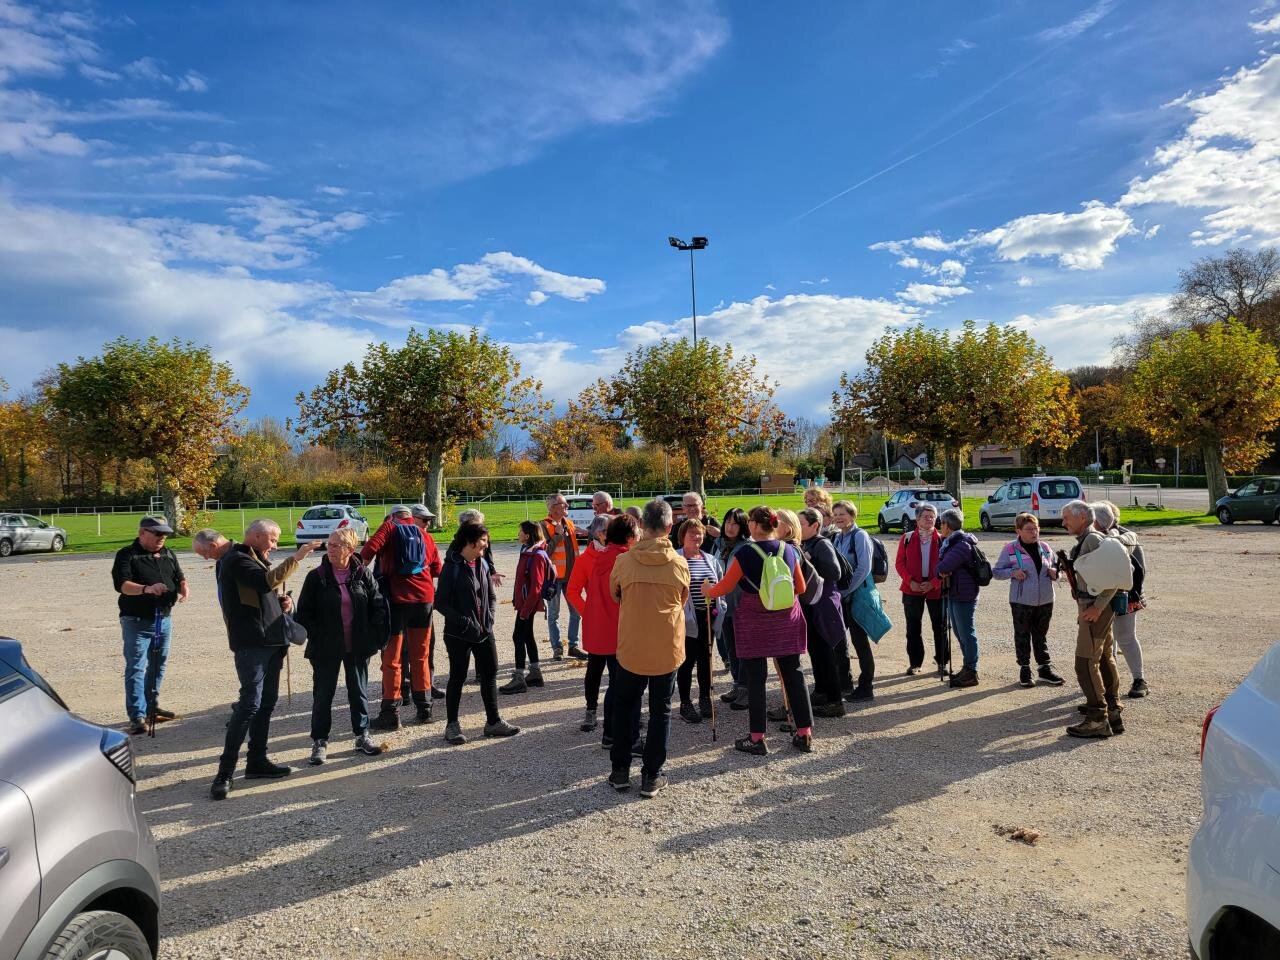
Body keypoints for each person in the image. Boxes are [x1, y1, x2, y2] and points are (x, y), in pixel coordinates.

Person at [210, 519, 309, 800]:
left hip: (272, 642)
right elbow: (265, 582)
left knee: (265, 705)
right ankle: (225, 772)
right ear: (255, 536)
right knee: (249, 705)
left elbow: (259, 595)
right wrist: (297, 557)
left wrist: (281, 604)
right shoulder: (237, 559)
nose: (275, 546)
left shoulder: (254, 559)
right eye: (273, 540)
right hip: (252, 644)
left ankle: (257, 761)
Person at [704, 506, 815, 756]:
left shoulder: (745, 553)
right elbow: (800, 586)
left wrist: (708, 591)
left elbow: (726, 587)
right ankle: (804, 733)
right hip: (786, 618)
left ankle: (757, 737)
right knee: (794, 674)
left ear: (754, 525)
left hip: (754, 620)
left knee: (756, 678)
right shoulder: (789, 549)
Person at [607, 498, 690, 797]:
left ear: (641, 525)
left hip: (632, 645)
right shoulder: (679, 564)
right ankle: (651, 775)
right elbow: (682, 598)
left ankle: (620, 769)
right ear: (670, 527)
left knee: (625, 705)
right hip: (666, 647)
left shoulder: (624, 561)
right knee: (660, 710)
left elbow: (615, 594)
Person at [294, 527, 387, 764]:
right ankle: (319, 741)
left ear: (350, 549)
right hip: (325, 648)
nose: (330, 549)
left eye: (336, 545)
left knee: (359, 692)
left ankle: (362, 735)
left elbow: (378, 606)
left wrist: (374, 636)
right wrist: (319, 634)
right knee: (323, 695)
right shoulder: (316, 577)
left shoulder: (363, 574)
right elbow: (304, 613)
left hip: (357, 645)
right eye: (330, 544)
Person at [360, 504, 444, 730]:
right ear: (410, 517)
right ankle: (424, 708)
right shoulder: (425, 535)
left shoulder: (389, 527)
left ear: (391, 517)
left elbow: (367, 552)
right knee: (421, 655)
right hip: (424, 601)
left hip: (396, 600)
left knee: (392, 658)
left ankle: (391, 712)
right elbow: (437, 569)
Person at [436, 522, 520, 744]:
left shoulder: (481, 563)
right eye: (483, 540)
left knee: (490, 673)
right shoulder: (452, 567)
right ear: (470, 542)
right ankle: (452, 725)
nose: (486, 544)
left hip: (484, 631)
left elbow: (490, 595)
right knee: (458, 677)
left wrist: (489, 618)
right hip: (458, 634)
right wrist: (465, 622)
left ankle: (493, 722)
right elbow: (440, 603)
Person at [112, 517, 189, 734]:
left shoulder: (168, 553)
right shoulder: (127, 554)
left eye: (165, 534)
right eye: (157, 533)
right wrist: (146, 589)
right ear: (142, 533)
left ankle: (151, 707)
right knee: (136, 667)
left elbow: (178, 576)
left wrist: (183, 586)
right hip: (136, 620)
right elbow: (122, 585)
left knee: (158, 665)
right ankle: (137, 716)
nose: (162, 537)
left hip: (163, 619)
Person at [1059, 500, 1123, 738]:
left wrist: (1097, 607)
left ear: (1082, 518)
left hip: (1095, 609)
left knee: (1085, 663)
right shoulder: (1089, 539)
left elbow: (1113, 578)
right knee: (1104, 657)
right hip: (1094, 607)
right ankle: (1112, 710)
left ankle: (1098, 719)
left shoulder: (1093, 540)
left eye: (1066, 518)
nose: (1063, 522)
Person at [582, 513, 640, 737]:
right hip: (618, 629)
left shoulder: (601, 556)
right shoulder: (626, 559)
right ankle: (615, 731)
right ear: (630, 536)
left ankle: (609, 730)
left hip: (602, 626)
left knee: (612, 681)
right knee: (619, 685)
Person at [991, 513, 1065, 688]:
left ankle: (1044, 669)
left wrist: (1056, 574)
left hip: (1045, 599)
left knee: (1041, 635)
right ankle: (1025, 669)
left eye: (1036, 528)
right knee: (1022, 635)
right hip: (1021, 601)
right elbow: (996, 572)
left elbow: (1057, 569)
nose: (1034, 532)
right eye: (1029, 529)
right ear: (1018, 531)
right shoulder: (1010, 549)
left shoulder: (1045, 547)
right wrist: (1013, 573)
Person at [1092, 501, 1149, 699]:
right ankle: (1110, 680)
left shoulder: (1125, 537)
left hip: (1126, 595)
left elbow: (1139, 570)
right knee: (1107, 640)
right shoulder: (1094, 537)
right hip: (1101, 597)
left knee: (1125, 636)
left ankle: (1139, 679)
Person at [798, 507, 848, 718]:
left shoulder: (822, 544)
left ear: (815, 525)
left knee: (827, 653)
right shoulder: (805, 543)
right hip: (811, 604)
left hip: (824, 605)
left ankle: (835, 702)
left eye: (801, 524)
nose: (798, 527)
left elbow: (834, 572)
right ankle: (821, 691)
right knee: (816, 651)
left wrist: (809, 560)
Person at [676, 518, 724, 724]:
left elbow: (720, 584)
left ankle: (705, 698)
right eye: (692, 533)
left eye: (700, 533)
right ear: (683, 536)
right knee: (686, 662)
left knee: (706, 659)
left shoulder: (710, 559)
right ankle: (685, 703)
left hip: (708, 616)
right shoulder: (676, 558)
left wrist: (719, 606)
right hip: (686, 618)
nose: (697, 537)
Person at [894, 502, 948, 677]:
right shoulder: (907, 538)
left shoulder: (943, 539)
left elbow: (948, 566)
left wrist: (934, 582)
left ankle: (942, 662)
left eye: (933, 516)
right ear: (917, 519)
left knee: (940, 627)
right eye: (926, 516)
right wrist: (910, 581)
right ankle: (915, 663)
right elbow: (899, 564)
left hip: (936, 589)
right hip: (912, 589)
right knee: (913, 629)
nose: (930, 519)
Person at [499, 521, 552, 695]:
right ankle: (535, 673)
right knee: (527, 635)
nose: (518, 534)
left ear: (528, 535)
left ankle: (519, 677)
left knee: (518, 636)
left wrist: (526, 610)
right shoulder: (528, 551)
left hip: (528, 604)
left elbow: (536, 586)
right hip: (525, 603)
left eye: (520, 531)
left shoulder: (536, 556)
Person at [831, 500, 875, 701]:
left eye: (842, 514)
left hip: (855, 597)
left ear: (852, 515)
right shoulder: (837, 537)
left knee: (860, 642)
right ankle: (844, 682)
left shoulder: (860, 536)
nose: (838, 518)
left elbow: (864, 568)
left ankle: (866, 687)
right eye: (836, 514)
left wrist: (846, 590)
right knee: (838, 641)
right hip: (842, 598)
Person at [937, 508, 983, 688]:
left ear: (948, 526)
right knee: (959, 632)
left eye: (941, 523)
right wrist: (941, 569)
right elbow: (941, 567)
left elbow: (941, 567)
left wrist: (941, 569)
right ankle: (967, 667)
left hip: (964, 594)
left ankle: (972, 670)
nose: (939, 526)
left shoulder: (961, 545)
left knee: (966, 633)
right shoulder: (950, 542)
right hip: (955, 592)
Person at [540, 493, 587, 661]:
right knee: (554, 615)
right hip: (554, 579)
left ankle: (573, 646)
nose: (567, 506)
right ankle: (557, 648)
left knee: (576, 612)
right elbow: (544, 553)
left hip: (571, 578)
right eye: (564, 504)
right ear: (553, 508)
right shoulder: (543, 526)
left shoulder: (569, 523)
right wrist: (557, 535)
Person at [714, 507, 751, 710]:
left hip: (742, 605)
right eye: (727, 522)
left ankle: (746, 689)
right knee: (731, 648)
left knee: (744, 649)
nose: (730, 527)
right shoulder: (720, 544)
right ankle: (737, 684)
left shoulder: (747, 547)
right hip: (724, 605)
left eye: (735, 523)